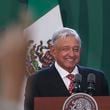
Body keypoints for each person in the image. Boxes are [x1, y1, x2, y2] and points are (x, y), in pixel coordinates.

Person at [24, 27, 109, 110]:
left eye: (76, 49)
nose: (72, 54)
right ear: (53, 51)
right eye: (65, 49)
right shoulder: (36, 81)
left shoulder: (97, 78)